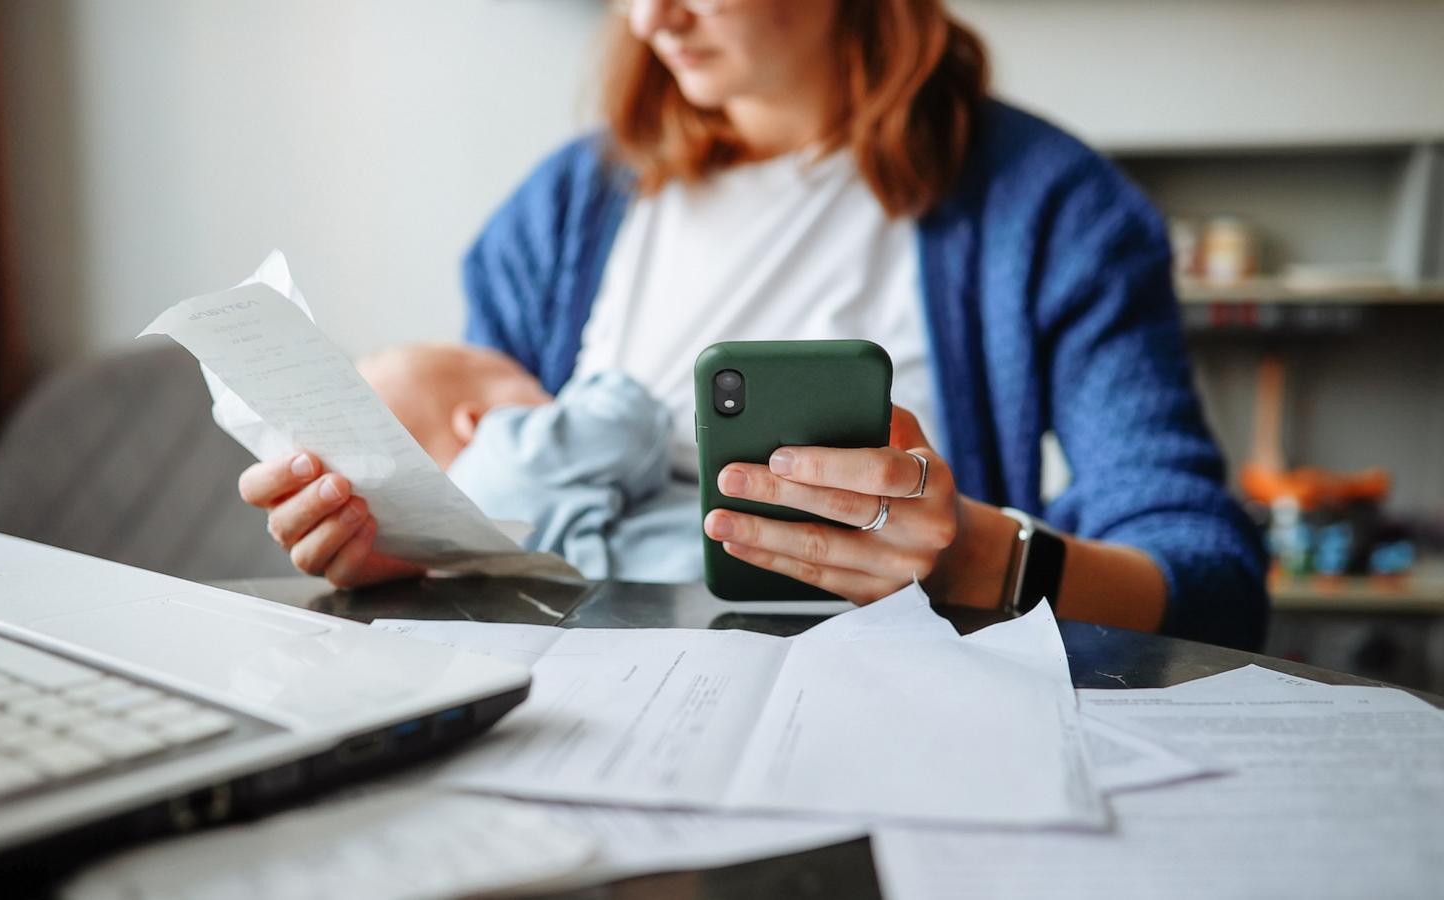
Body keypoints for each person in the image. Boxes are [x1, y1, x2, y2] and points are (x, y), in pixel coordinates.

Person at [240, 0, 1268, 650]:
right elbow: (513, 518)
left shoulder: (1050, 211)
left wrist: (978, 561)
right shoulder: (557, 219)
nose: (650, 19)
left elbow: (1209, 585)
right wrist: (415, 545)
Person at [357, 344, 703, 582]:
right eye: (530, 385)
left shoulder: (446, 554)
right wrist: (599, 385)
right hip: (709, 574)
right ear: (473, 421)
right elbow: (631, 428)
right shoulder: (506, 448)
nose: (551, 398)